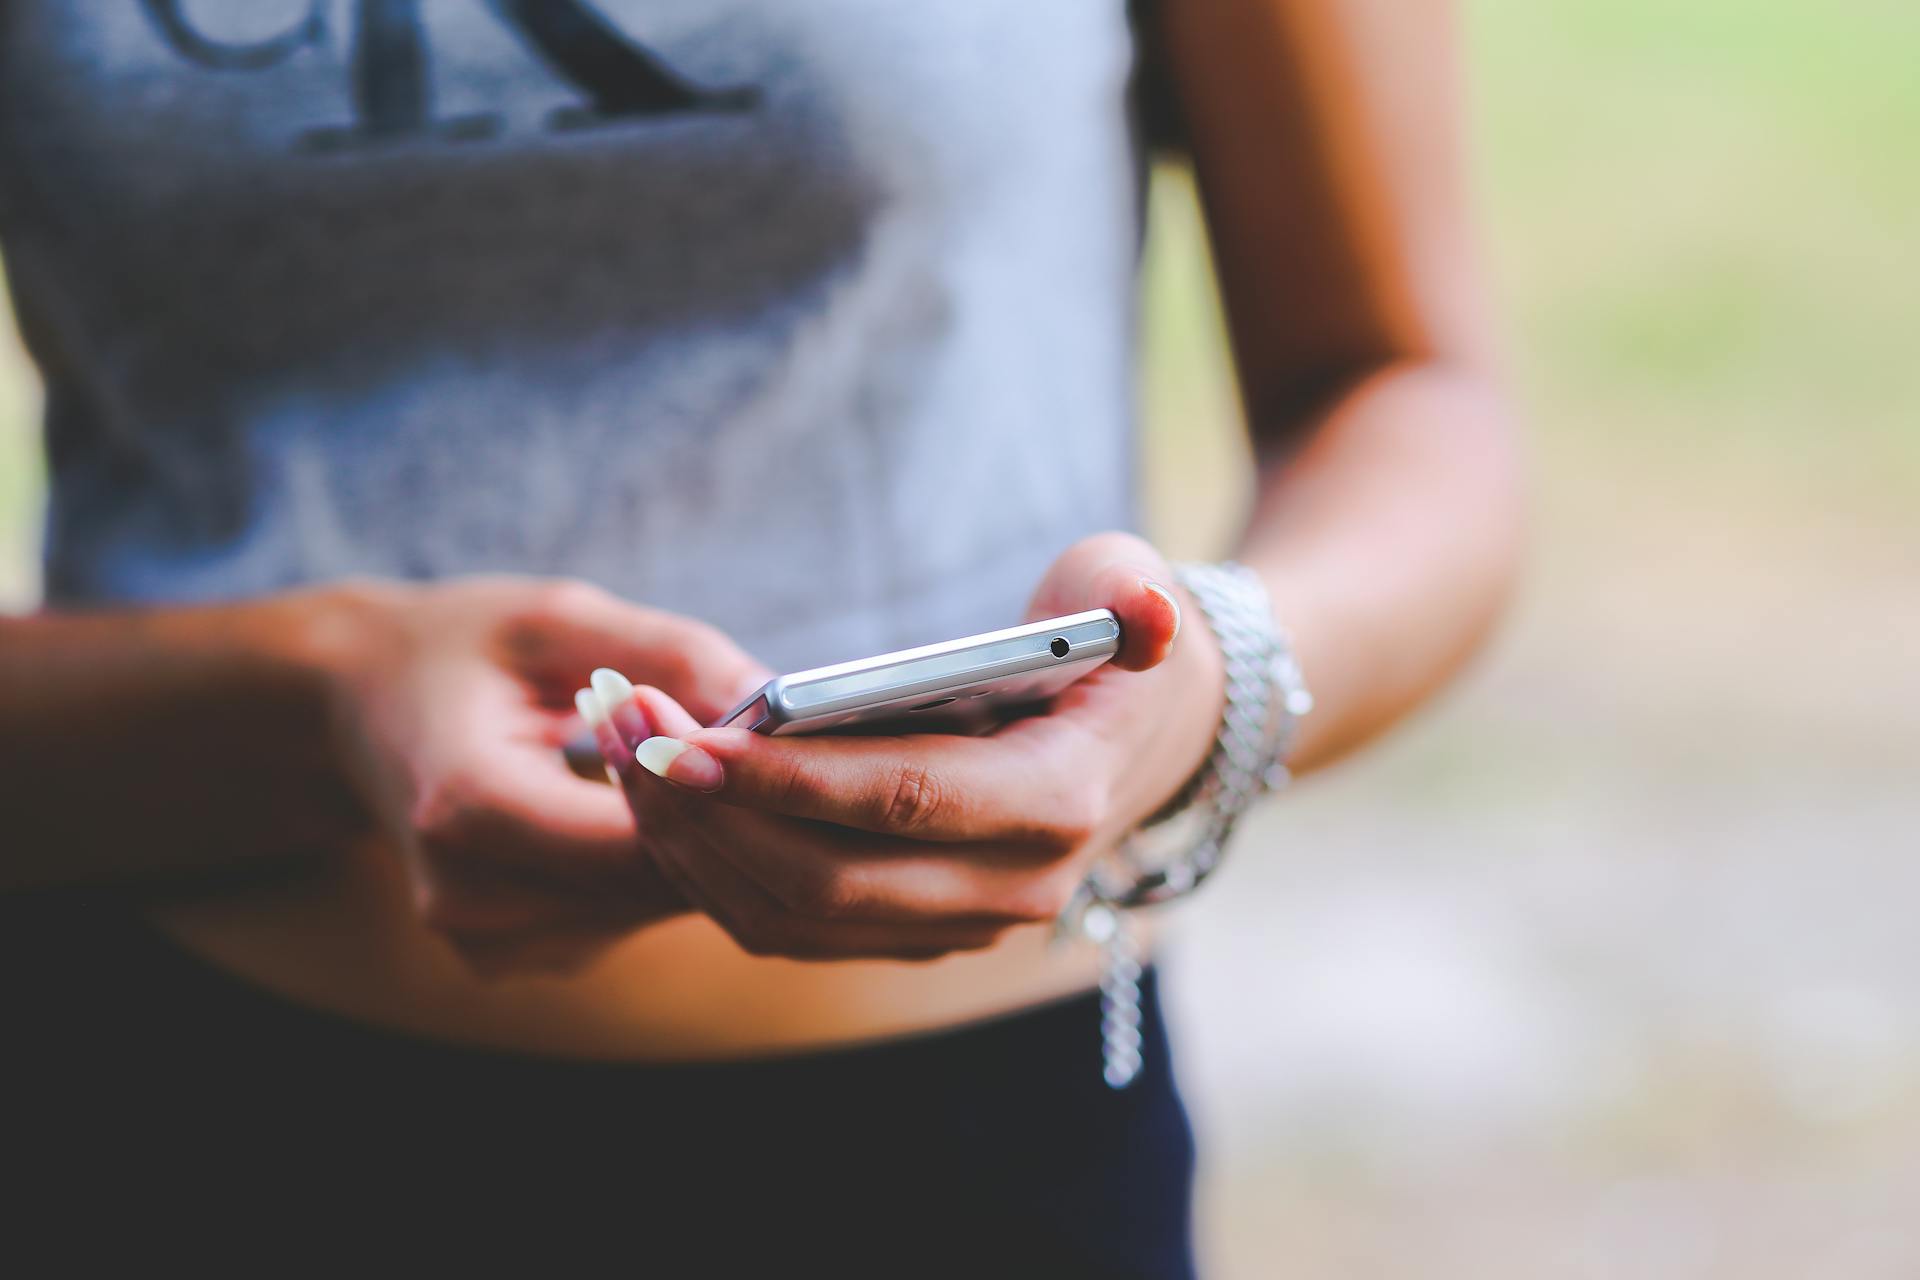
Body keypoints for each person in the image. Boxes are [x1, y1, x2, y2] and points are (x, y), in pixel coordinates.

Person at [0, 1, 1519, 1274]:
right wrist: (318, 697)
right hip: (183, 1106)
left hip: (983, 1163)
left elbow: (1404, 391)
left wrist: (1212, 689)